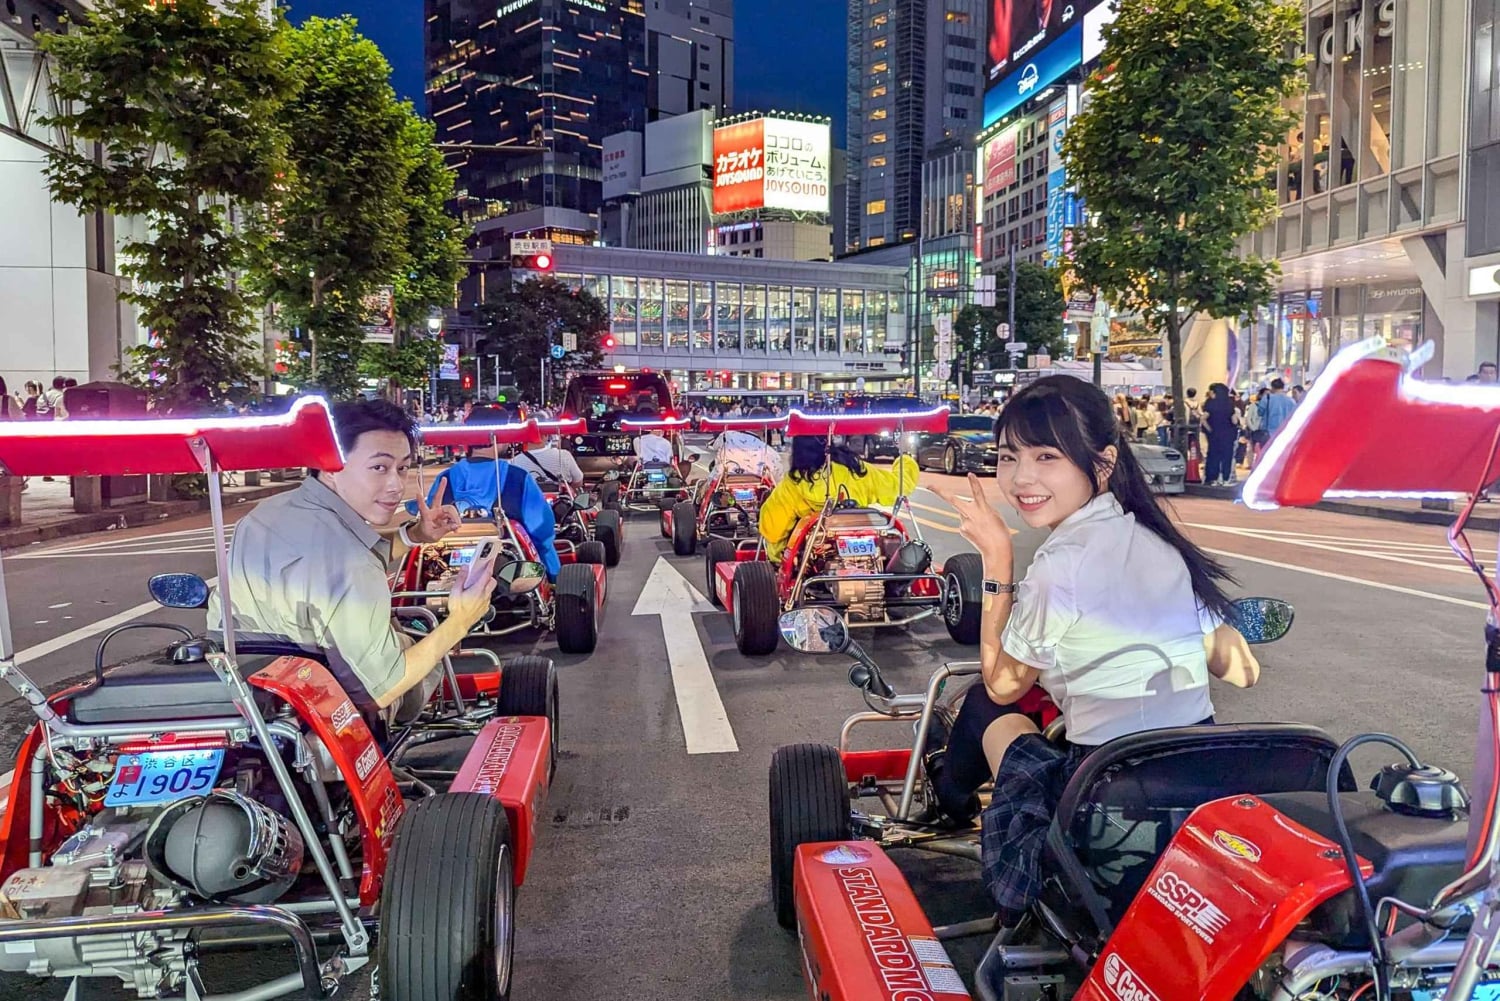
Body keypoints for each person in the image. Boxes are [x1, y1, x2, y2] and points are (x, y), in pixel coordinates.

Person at [921, 376, 1259, 925]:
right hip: (1200, 786)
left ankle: (950, 798)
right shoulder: (1163, 547)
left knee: (991, 707)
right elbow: (1238, 669)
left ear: (1102, 465)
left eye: (1046, 455)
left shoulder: (1062, 564)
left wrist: (998, 558)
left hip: (1108, 805)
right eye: (1010, 457)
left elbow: (1004, 682)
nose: (1022, 478)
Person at [209, 400, 488, 725]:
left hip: (245, 692)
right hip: (326, 716)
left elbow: (329, 564)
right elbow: (379, 691)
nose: (397, 485)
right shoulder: (353, 564)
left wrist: (416, 534)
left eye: (402, 467)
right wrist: (460, 622)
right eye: (379, 468)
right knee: (417, 646)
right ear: (330, 467)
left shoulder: (262, 516)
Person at [427, 413, 564, 581]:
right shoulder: (518, 477)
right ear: (501, 437)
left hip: (444, 566)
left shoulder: (444, 478)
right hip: (510, 571)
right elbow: (542, 528)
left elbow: (426, 521)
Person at [759, 437, 919, 561]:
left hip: (813, 558)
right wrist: (905, 460)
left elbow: (773, 529)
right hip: (862, 538)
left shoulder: (793, 484)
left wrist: (779, 561)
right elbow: (898, 486)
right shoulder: (856, 470)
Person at [512, 434, 585, 490]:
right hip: (560, 506)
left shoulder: (515, 461)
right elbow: (578, 480)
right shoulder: (564, 455)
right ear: (546, 436)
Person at [1202, 383, 1238, 486]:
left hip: (1215, 435)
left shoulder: (1210, 403)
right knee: (1227, 456)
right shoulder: (1229, 403)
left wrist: (1210, 429)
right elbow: (1234, 420)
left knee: (1214, 456)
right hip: (1228, 434)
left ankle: (1213, 478)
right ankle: (1225, 479)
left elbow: (1203, 418)